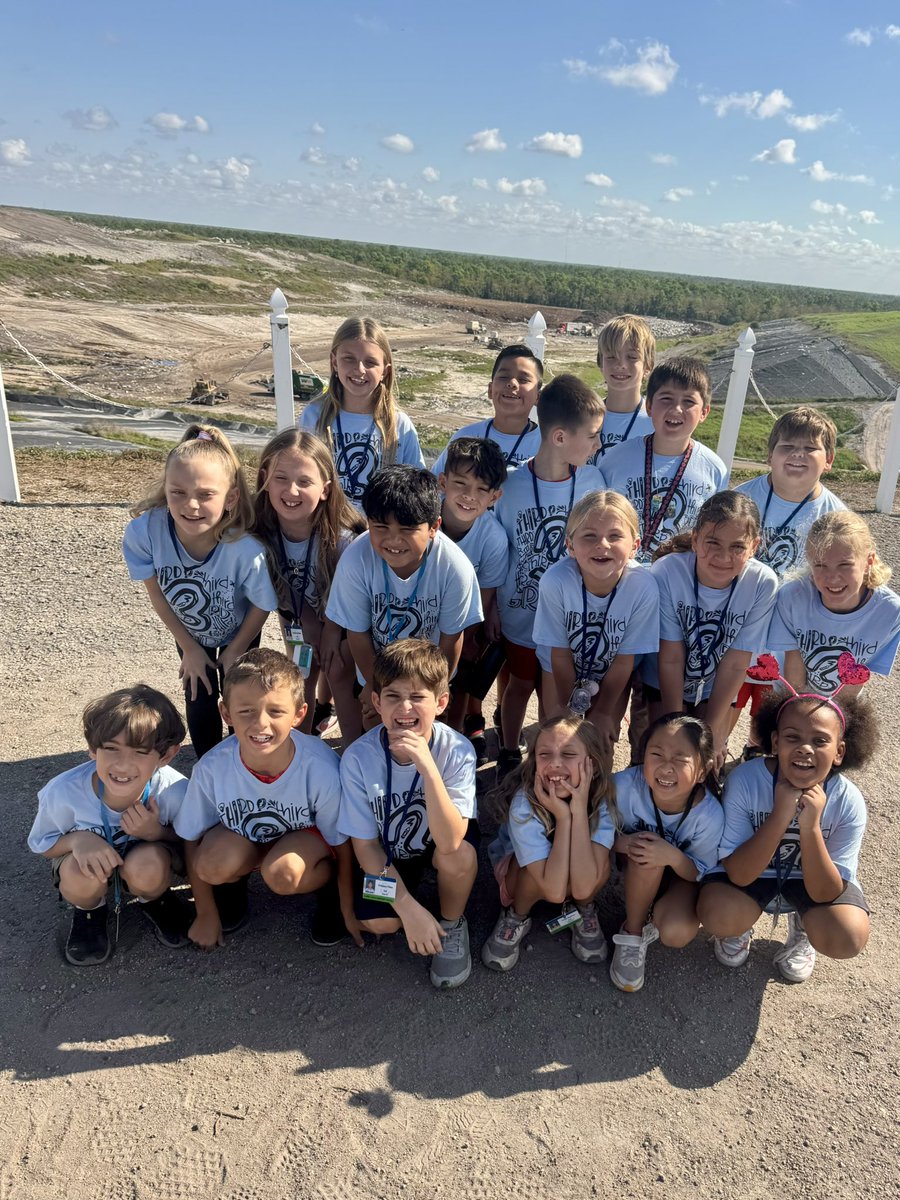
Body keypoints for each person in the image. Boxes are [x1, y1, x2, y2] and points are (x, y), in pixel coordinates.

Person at [173, 649, 356, 950]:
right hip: (244, 839)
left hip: (304, 842)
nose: (260, 724)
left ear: (299, 714)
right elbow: (191, 837)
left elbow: (342, 842)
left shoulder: (320, 767)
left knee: (282, 873)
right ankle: (232, 888)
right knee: (211, 863)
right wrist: (205, 912)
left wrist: (347, 908)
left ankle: (328, 896)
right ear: (226, 713)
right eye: (246, 711)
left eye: (275, 711)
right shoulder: (212, 768)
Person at [698, 686, 876, 983]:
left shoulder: (847, 800)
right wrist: (780, 815)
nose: (805, 748)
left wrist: (811, 827)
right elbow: (739, 874)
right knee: (718, 913)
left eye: (820, 741)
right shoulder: (745, 780)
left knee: (847, 935)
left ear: (839, 752)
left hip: (813, 881)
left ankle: (804, 925)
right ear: (775, 742)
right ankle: (738, 927)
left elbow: (826, 893)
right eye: (793, 737)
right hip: (751, 875)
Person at [122, 424, 277, 759]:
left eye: (206, 495)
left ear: (231, 498)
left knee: (241, 694)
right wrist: (189, 648)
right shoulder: (145, 532)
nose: (191, 505)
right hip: (190, 630)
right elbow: (157, 594)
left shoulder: (245, 549)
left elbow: (261, 604)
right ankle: (208, 764)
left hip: (241, 629)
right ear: (165, 488)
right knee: (198, 691)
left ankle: (245, 760)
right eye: (178, 492)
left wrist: (236, 648)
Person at [338, 640, 479, 989]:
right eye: (393, 696)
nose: (404, 708)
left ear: (441, 703)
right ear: (376, 702)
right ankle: (414, 904)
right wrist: (406, 906)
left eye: (417, 697)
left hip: (440, 842)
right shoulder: (357, 758)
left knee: (459, 856)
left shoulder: (457, 750)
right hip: (388, 851)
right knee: (380, 923)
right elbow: (365, 846)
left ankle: (452, 922)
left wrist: (428, 768)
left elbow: (450, 840)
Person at [28, 685, 191, 966]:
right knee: (79, 876)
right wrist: (77, 840)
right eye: (111, 749)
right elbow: (43, 844)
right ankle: (89, 909)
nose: (122, 765)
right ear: (93, 748)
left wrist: (156, 832)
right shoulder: (63, 792)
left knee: (149, 865)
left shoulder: (173, 790)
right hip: (87, 867)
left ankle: (155, 899)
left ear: (166, 755)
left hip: (145, 864)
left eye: (140, 752)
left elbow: (190, 842)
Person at [494, 374, 606, 776]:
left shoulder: (593, 481)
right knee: (519, 684)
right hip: (521, 614)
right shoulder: (510, 486)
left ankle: (547, 759)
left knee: (554, 695)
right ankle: (509, 748)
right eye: (592, 436)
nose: (598, 445)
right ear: (559, 437)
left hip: (569, 617)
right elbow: (500, 551)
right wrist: (492, 609)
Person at [325, 465, 482, 730]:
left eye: (407, 529)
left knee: (425, 730)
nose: (393, 540)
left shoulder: (455, 568)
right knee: (375, 723)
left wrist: (437, 689)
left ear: (434, 527)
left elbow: (451, 637)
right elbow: (358, 633)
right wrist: (375, 686)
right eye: (381, 527)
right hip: (376, 665)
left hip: (428, 671)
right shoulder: (356, 559)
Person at [731, 407, 846, 737]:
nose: (798, 455)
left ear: (829, 460)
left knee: (771, 720)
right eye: (787, 447)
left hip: (789, 641)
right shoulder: (739, 500)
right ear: (770, 455)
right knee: (724, 705)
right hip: (738, 626)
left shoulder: (836, 517)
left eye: (810, 448)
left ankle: (756, 752)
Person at [643, 491, 779, 765]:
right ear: (695, 539)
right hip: (661, 681)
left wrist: (714, 732)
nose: (723, 556)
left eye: (737, 547)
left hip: (715, 686)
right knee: (655, 756)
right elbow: (671, 657)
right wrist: (675, 727)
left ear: (754, 546)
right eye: (713, 542)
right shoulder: (668, 572)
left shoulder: (761, 583)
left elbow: (736, 663)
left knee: (707, 761)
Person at [253, 428, 366, 744]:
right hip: (295, 619)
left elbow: (351, 599)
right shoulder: (258, 532)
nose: (292, 490)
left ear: (325, 490)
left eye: (304, 481)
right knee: (299, 677)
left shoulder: (344, 540)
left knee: (338, 672)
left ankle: (353, 751)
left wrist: (329, 630)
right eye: (281, 478)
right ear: (264, 479)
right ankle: (300, 752)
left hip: (341, 622)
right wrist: (304, 623)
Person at [482, 716, 617, 972]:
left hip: (576, 877)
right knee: (530, 872)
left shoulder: (601, 800)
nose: (555, 763)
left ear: (593, 765)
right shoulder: (524, 803)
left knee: (601, 865)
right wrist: (564, 818)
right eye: (544, 754)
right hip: (526, 877)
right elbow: (554, 891)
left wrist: (579, 810)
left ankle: (583, 908)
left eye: (568, 754)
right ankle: (517, 915)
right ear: (534, 762)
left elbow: (585, 883)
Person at [532, 491, 659, 755]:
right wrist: (569, 710)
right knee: (556, 735)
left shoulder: (643, 587)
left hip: (612, 670)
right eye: (589, 536)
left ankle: (599, 781)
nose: (602, 544)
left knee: (602, 739)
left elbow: (624, 661)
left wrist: (602, 712)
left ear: (635, 545)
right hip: (559, 667)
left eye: (615, 536)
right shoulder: (555, 582)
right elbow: (559, 654)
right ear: (570, 544)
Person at [609, 713, 724, 993]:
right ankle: (633, 932)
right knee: (646, 851)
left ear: (702, 770)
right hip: (632, 863)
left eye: (681, 759)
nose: (666, 767)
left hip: (680, 877)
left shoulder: (709, 815)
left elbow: (700, 872)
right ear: (643, 756)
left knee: (676, 932)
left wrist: (671, 856)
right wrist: (625, 844)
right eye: (656, 754)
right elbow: (591, 833)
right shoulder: (622, 786)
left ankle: (652, 908)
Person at [597, 357, 728, 564]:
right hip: (622, 573)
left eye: (689, 401)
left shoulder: (715, 469)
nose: (676, 409)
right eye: (666, 398)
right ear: (649, 406)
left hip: (680, 575)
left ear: (704, 412)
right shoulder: (614, 460)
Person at [767, 510, 900, 697]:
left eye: (845, 565)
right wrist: (800, 708)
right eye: (820, 565)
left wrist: (836, 712)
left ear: (868, 562)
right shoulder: (792, 598)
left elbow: (858, 674)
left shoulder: (890, 611)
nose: (832, 577)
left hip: (843, 702)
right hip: (791, 695)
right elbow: (794, 669)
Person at [299, 316, 424, 509]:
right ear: (334, 362)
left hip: (379, 526)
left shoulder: (400, 424)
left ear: (385, 371)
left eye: (370, 362)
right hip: (325, 523)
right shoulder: (314, 415)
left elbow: (417, 488)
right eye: (349, 359)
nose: (359, 370)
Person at [437, 437, 510, 759]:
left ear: (495, 497)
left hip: (461, 623)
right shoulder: (421, 519)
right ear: (442, 482)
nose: (469, 496)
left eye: (481, 489)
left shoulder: (493, 538)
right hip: (418, 616)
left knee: (460, 677)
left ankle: (453, 739)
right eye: (460, 484)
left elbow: (484, 597)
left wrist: (466, 642)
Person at [430, 345, 543, 476]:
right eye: (504, 377)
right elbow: (436, 483)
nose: (512, 383)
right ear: (490, 389)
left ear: (538, 397)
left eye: (523, 379)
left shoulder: (546, 446)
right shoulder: (467, 436)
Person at [589, 314, 656, 465]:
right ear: (600, 362)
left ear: (648, 365)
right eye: (611, 356)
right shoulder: (581, 416)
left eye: (632, 357)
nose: (621, 365)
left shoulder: (656, 424)